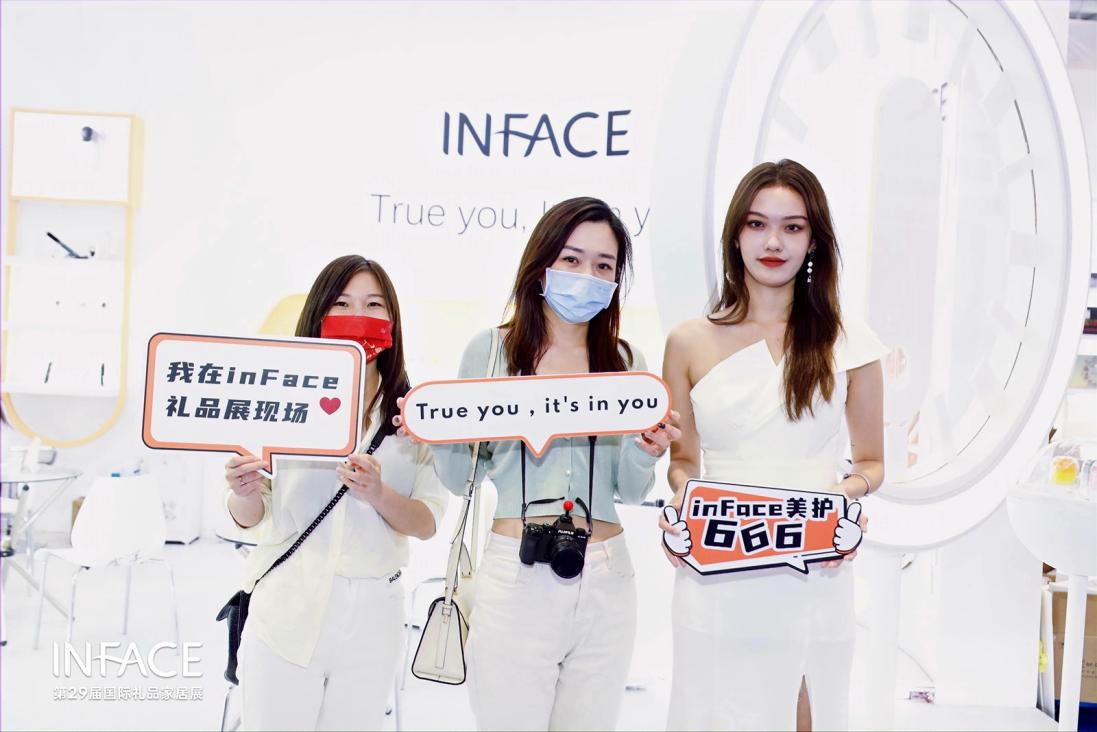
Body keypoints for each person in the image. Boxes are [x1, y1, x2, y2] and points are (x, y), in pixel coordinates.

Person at [401, 197, 680, 731]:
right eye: (572, 259)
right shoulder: (491, 352)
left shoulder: (626, 364)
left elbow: (628, 489)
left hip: (606, 574)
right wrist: (437, 435)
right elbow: (460, 480)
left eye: (603, 266)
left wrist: (647, 451)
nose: (587, 276)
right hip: (517, 572)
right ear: (541, 265)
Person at [660, 160, 884, 731]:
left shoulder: (849, 342)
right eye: (757, 224)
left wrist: (837, 500)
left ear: (814, 240)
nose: (773, 242)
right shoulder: (688, 342)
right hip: (719, 562)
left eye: (792, 227)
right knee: (714, 712)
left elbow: (872, 463)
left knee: (806, 711)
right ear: (735, 235)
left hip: (811, 563)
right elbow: (682, 463)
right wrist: (690, 503)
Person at [224, 255, 448, 731]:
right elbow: (251, 514)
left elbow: (428, 523)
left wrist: (378, 493)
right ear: (318, 314)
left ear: (393, 320)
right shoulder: (279, 397)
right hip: (286, 606)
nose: (358, 316)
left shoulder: (413, 415)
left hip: (373, 615)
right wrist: (243, 490)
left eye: (374, 305)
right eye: (342, 303)